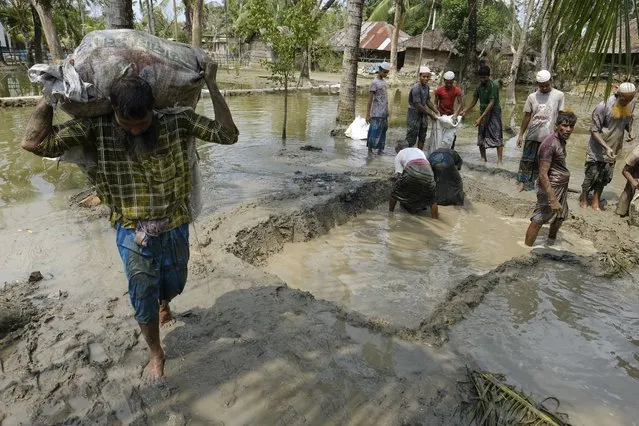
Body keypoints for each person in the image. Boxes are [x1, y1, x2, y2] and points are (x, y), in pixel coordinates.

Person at [21, 62, 239, 379]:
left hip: (175, 222)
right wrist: (50, 94)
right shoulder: (96, 128)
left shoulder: (178, 122)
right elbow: (34, 143)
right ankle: (156, 352)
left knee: (175, 282)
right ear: (114, 112)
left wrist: (213, 86)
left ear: (153, 109)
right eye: (127, 123)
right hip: (131, 229)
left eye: (142, 122)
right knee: (142, 293)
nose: (135, 129)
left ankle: (165, 301)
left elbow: (228, 135)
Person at [580, 82, 636, 210]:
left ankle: (595, 201)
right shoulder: (603, 106)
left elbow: (629, 118)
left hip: (615, 148)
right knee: (590, 176)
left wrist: (630, 131)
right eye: (624, 99)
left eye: (630, 99)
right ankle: (583, 199)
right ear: (618, 94)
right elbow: (594, 130)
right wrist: (606, 147)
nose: (627, 101)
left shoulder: (630, 103)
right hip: (597, 149)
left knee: (605, 178)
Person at [524, 111, 577, 246]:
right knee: (539, 218)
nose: (568, 129)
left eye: (571, 126)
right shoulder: (549, 144)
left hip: (560, 186)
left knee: (559, 216)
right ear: (557, 125)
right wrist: (552, 199)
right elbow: (542, 174)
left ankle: (551, 243)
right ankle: (526, 249)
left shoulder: (561, 141)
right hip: (550, 187)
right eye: (565, 125)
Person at [516, 70, 565, 192]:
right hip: (533, 134)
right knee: (527, 160)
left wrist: (561, 137)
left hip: (549, 136)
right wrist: (521, 134)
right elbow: (527, 116)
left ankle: (540, 184)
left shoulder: (559, 95)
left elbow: (561, 116)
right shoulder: (532, 97)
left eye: (546, 85)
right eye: (541, 85)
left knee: (545, 161)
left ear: (551, 81)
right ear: (537, 84)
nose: (544, 88)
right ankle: (522, 183)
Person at [459, 65, 503, 164]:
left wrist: (480, 118)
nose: (482, 79)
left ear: (488, 76)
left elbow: (491, 103)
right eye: (481, 77)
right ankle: (483, 158)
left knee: (497, 134)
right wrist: (465, 110)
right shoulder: (479, 86)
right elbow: (474, 100)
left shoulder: (493, 86)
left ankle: (499, 161)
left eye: (484, 77)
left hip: (494, 112)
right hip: (483, 111)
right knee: (481, 134)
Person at [389, 140, 438, 218]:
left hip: (412, 169)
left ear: (397, 149)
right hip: (428, 171)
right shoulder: (418, 150)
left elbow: (399, 175)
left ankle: (390, 214)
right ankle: (436, 220)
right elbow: (424, 162)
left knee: (394, 192)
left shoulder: (399, 154)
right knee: (432, 199)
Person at [406, 66, 439, 150]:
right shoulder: (416, 88)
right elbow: (417, 105)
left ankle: (419, 153)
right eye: (424, 76)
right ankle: (407, 153)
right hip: (414, 115)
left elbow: (427, 101)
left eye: (428, 77)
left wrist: (435, 110)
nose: (426, 78)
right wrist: (430, 115)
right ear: (420, 76)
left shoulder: (427, 87)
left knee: (422, 136)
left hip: (423, 115)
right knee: (411, 136)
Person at [433, 71, 464, 149]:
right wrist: (436, 113)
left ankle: (451, 150)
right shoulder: (439, 90)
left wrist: (456, 114)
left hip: (451, 115)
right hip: (441, 115)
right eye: (447, 83)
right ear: (444, 81)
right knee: (439, 135)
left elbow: (460, 103)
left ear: (453, 81)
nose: (449, 85)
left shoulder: (457, 90)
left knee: (451, 135)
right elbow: (435, 103)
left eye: (451, 83)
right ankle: (438, 149)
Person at [366, 62, 390, 156]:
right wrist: (368, 114)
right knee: (373, 131)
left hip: (383, 112)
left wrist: (387, 110)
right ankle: (370, 150)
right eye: (384, 72)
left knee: (383, 131)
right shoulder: (374, 83)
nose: (385, 74)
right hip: (376, 112)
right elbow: (370, 100)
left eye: (387, 72)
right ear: (380, 70)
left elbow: (385, 99)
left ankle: (380, 149)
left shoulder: (384, 83)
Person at [615, 144, 639, 217]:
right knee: (630, 187)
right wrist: (635, 183)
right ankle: (621, 212)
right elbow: (625, 171)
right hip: (635, 169)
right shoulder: (636, 153)